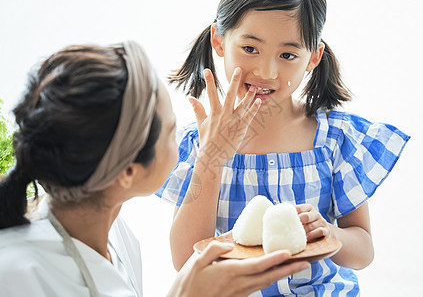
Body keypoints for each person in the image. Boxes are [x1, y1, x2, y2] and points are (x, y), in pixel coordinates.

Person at [0, 41, 310, 296]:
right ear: (128, 172)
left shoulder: (114, 235)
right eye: (170, 132)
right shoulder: (16, 274)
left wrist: (214, 157)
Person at [156, 0, 411, 296]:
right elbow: (186, 260)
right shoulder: (200, 142)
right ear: (220, 40)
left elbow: (363, 252)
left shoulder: (334, 138)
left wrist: (327, 233)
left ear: (313, 58)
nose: (267, 72)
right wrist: (212, 158)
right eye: (250, 49)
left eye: (288, 55)